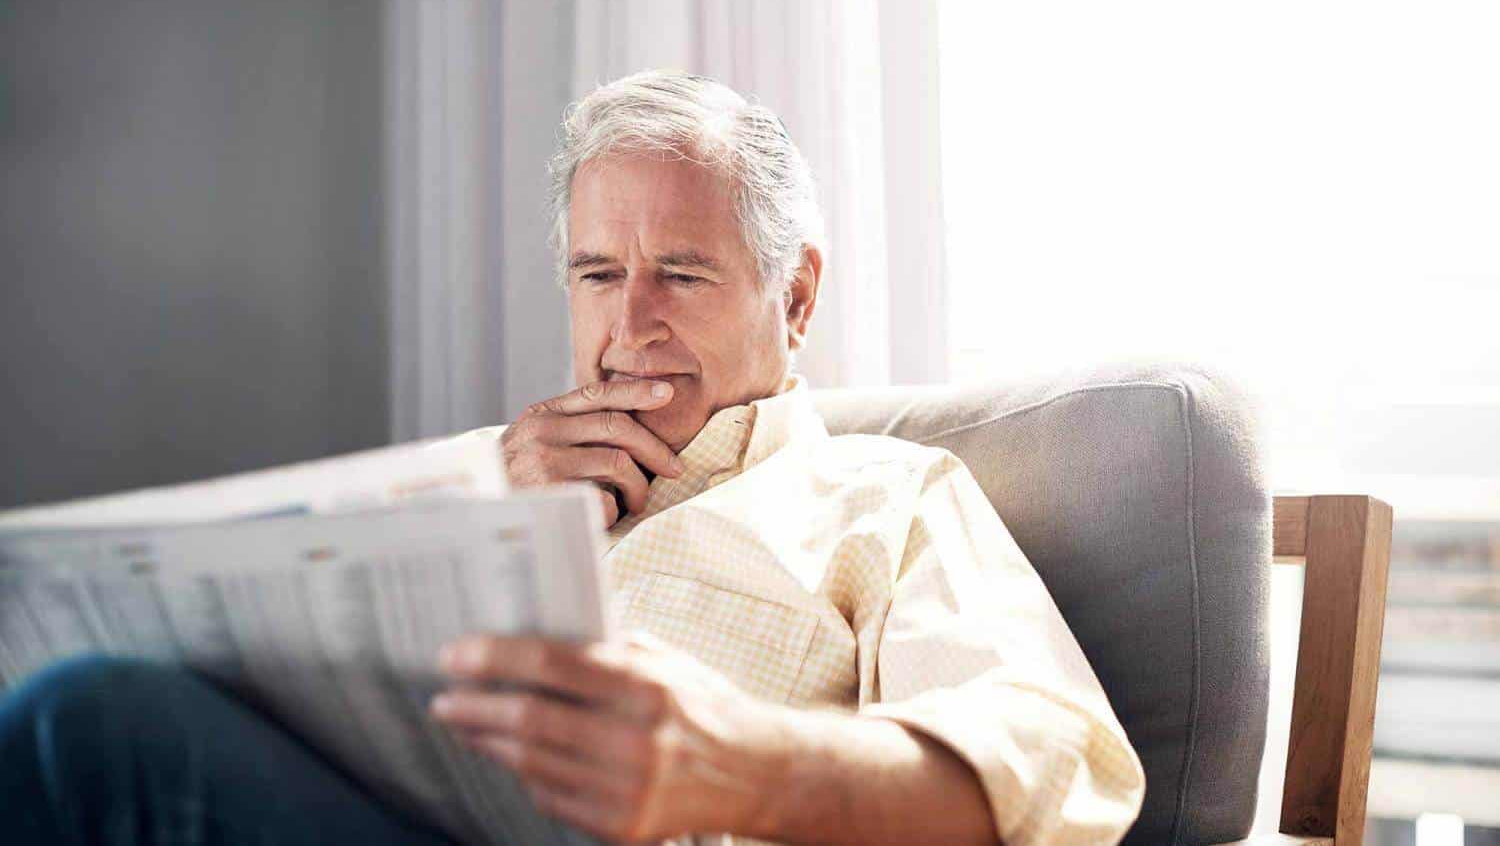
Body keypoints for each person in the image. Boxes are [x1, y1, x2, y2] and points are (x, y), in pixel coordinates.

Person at [0, 70, 1144, 846]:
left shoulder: (884, 496)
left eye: (681, 275)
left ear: (794, 297)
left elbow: (1063, 764)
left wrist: (740, 762)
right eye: (599, 275)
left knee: (85, 726)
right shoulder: (471, 473)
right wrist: (480, 496)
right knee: (80, 703)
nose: (630, 325)